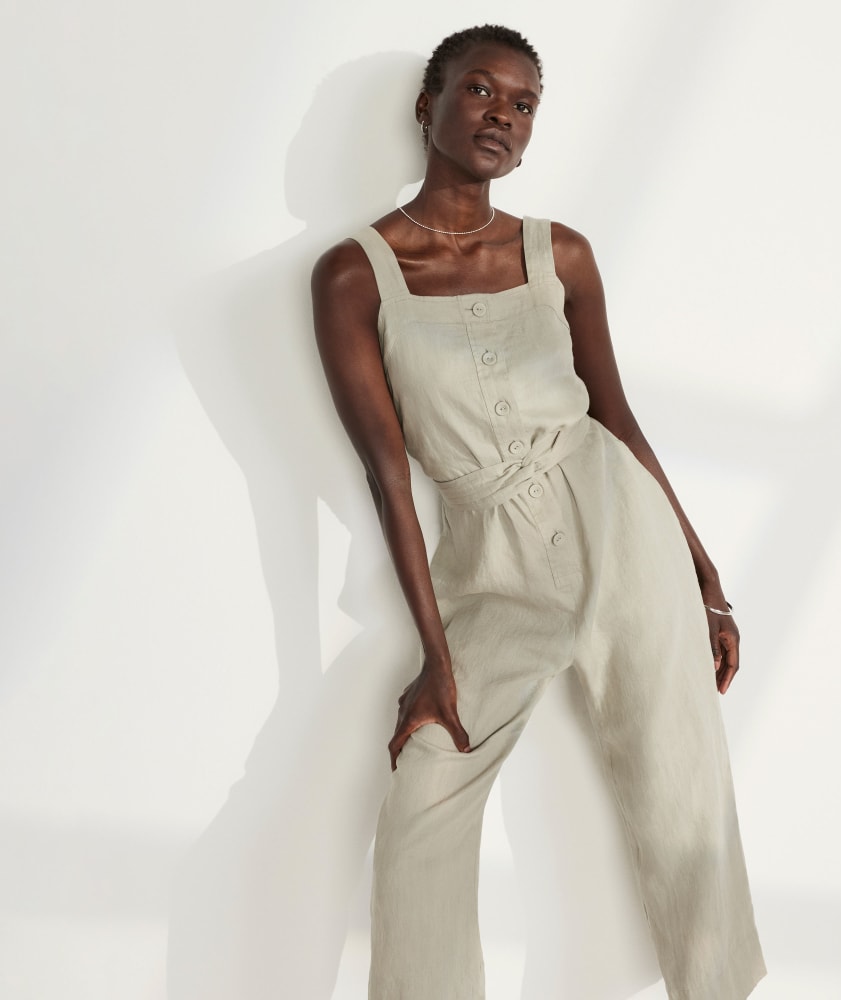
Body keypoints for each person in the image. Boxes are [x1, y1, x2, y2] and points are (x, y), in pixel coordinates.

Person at [311, 24, 766, 1000]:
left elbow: (616, 418)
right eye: (481, 91)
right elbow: (389, 475)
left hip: (619, 522)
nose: (503, 117)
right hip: (494, 561)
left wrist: (705, 576)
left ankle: (720, 988)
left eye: (523, 105)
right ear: (427, 104)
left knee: (682, 781)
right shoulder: (355, 274)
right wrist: (436, 657)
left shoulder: (561, 253)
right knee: (427, 784)